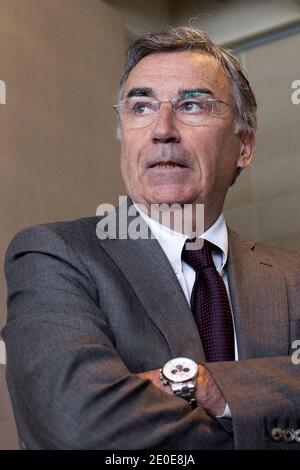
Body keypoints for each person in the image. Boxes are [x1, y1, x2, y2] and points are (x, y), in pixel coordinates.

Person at [2, 27, 300, 450]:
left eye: (192, 104)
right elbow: (84, 430)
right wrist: (269, 416)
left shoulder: (294, 276)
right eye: (141, 106)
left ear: (245, 145)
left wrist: (207, 383)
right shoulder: (54, 255)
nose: (162, 130)